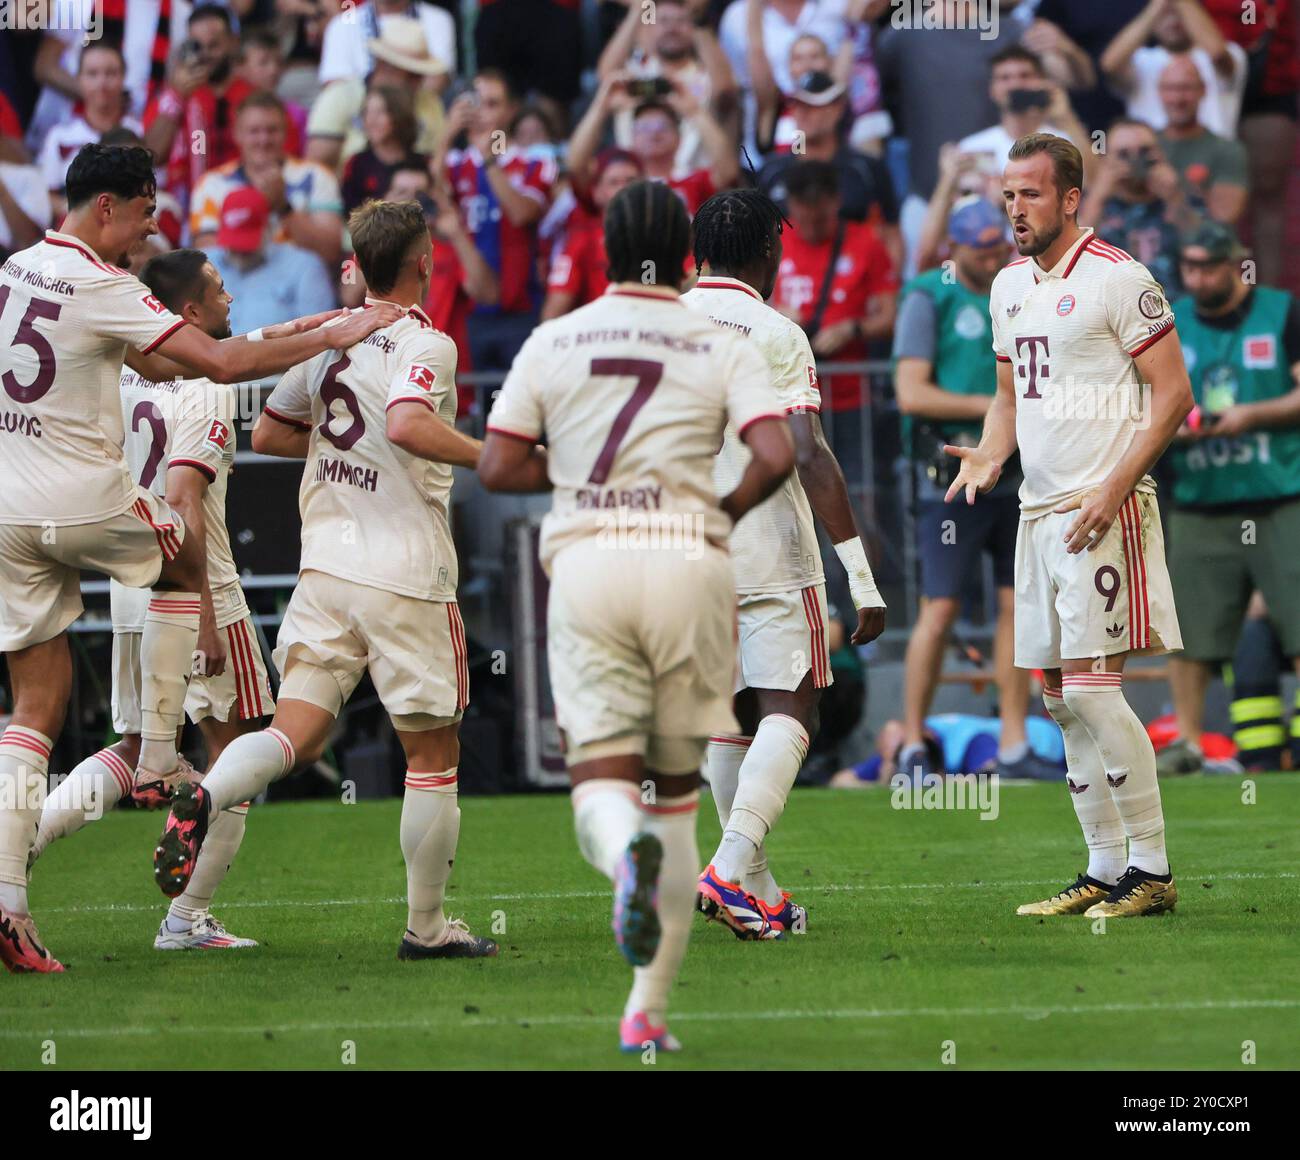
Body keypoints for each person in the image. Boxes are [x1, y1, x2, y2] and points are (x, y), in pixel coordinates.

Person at [0, 141, 398, 972]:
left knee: (37, 708)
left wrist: (303, 328)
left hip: (11, 511)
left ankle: (10, 892)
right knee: (230, 709)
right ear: (106, 206)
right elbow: (215, 368)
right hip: (98, 516)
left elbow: (152, 356)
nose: (151, 228)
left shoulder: (16, 269)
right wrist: (345, 327)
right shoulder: (111, 290)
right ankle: (178, 866)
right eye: (144, 211)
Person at [477, 180, 794, 1052]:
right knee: (680, 801)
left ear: (605, 252)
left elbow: (500, 467)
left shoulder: (556, 336)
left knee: (603, 784)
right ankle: (646, 1011)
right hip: (689, 561)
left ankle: (624, 865)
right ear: (685, 255)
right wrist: (718, 512)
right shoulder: (719, 337)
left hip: (590, 565)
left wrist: (579, 475)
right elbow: (776, 452)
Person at [153, 198, 497, 964]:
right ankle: (429, 929)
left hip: (326, 569)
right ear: (425, 261)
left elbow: (271, 430)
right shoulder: (426, 343)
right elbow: (409, 422)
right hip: (406, 571)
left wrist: (353, 445)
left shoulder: (326, 338)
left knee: (290, 734)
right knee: (432, 759)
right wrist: (486, 453)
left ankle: (205, 794)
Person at [945, 132, 1193, 919]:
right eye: (1007, 194)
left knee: (1092, 687)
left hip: (1102, 509)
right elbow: (1010, 396)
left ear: (1071, 199)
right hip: (1040, 511)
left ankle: (1151, 870)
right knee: (1057, 695)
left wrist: (1116, 487)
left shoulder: (1121, 280)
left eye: (1030, 194)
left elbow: (1175, 395)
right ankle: (1102, 865)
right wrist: (990, 454)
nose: (1014, 208)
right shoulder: (1009, 286)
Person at [30, 247, 275, 952]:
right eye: (220, 290)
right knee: (242, 749)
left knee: (139, 747)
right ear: (190, 313)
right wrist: (201, 612)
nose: (232, 300)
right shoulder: (207, 389)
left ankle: (21, 850)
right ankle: (186, 919)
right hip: (201, 592)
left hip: (130, 590)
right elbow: (183, 497)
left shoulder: (121, 382)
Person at [683, 188, 887, 940]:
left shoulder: (659, 325)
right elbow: (806, 452)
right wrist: (860, 579)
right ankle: (729, 870)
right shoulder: (775, 331)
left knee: (729, 722)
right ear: (770, 249)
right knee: (791, 707)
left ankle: (757, 895)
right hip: (766, 545)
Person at [895, 198, 1060, 781]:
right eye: (981, 250)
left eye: (999, 247)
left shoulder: (1023, 286)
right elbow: (911, 392)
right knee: (939, 608)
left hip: (1016, 474)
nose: (993, 258)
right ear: (954, 249)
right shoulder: (929, 294)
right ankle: (912, 743)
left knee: (1019, 605)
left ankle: (1013, 743)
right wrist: (1002, 410)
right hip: (951, 472)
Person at [1158, 222, 1300, 775]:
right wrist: (1176, 428)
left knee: (1297, 621)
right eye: (1190, 267)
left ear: (1237, 262)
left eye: (1210, 266)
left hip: (1280, 493)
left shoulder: (1282, 311)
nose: (1199, 277)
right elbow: (1146, 401)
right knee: (1190, 634)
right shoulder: (1169, 320)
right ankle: (1190, 742)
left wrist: (1250, 416)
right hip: (1200, 496)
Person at [768, 160, 898, 482]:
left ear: (836, 202)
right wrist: (775, 314)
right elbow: (750, 300)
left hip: (850, 395)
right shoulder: (774, 243)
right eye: (804, 216)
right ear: (792, 206)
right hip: (791, 394)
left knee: (858, 489)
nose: (812, 226)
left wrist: (852, 328)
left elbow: (891, 315)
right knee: (796, 490)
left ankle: (857, 536)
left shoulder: (866, 243)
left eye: (821, 218)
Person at [440, 70, 556, 372]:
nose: (481, 112)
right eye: (475, 103)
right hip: (464, 308)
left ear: (511, 111)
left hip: (521, 308)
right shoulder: (453, 162)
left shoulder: (535, 161)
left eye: (492, 104)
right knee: (465, 406)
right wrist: (447, 132)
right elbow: (425, 194)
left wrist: (488, 158)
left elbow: (521, 213)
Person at [756, 69, 900, 266]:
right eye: (798, 105)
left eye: (813, 105)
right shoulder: (772, 170)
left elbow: (891, 234)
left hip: (852, 281)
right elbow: (756, 237)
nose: (803, 113)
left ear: (837, 108)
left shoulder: (866, 169)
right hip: (788, 283)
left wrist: (885, 284)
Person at [190, 92, 345, 269]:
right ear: (237, 134)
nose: (263, 140)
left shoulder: (317, 176)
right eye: (254, 131)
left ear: (286, 132)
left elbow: (330, 252)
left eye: (272, 130)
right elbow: (209, 257)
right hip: (235, 287)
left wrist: (283, 207)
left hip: (298, 284)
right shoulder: (211, 184)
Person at [567, 73, 739, 220]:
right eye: (644, 127)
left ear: (679, 139)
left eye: (662, 126)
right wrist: (601, 107)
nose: (654, 133)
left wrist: (695, 111)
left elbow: (728, 171)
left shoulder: (693, 182)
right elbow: (575, 165)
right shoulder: (618, 184)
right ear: (632, 138)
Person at [598, 0, 738, 173]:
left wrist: (698, 19)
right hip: (635, 184)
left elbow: (725, 90)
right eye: (663, 21)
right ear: (648, 28)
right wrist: (639, 10)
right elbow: (606, 74)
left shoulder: (705, 77)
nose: (672, 28)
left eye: (681, 21)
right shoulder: (635, 73)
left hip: (695, 184)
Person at [143, 4, 257, 207]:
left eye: (214, 45)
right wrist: (177, 99)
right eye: (197, 46)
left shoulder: (253, 96)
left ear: (233, 42)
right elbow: (152, 156)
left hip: (243, 201)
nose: (205, 54)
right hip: (184, 208)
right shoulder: (174, 95)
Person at [305, 15, 447, 176]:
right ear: (384, 66)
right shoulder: (340, 96)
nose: (419, 82)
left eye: (421, 74)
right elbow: (317, 165)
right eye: (412, 74)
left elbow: (438, 164)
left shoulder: (430, 102)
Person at [1100, 0, 1247, 138]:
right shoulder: (1140, 61)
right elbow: (1109, 65)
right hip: (1149, 160)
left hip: (1213, 161)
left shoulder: (1233, 53)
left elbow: (1217, 54)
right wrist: (1156, 7)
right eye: (1164, 13)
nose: (1172, 21)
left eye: (1179, 13)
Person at [1081, 118, 1194, 298]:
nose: (1135, 161)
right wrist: (1098, 198)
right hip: (1109, 311)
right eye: (1123, 154)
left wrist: (1175, 198)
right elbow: (1070, 258)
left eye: (1144, 151)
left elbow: (1205, 247)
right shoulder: (1086, 202)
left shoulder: (1182, 195)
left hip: (1174, 309)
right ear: (1106, 159)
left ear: (1161, 154)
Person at [207, 187, 338, 333]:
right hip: (211, 354)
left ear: (269, 229)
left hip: (278, 354)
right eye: (234, 239)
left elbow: (320, 336)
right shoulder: (203, 265)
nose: (240, 250)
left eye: (247, 240)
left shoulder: (304, 267)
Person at [37, 42, 142, 217]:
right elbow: (47, 196)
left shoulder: (139, 130)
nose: (102, 82)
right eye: (92, 74)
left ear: (124, 78)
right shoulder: (59, 136)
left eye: (111, 73)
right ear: (79, 79)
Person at [541, 150, 643, 320]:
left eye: (631, 181)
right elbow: (552, 314)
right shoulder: (581, 239)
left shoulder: (667, 233)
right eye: (614, 182)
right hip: (600, 338)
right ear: (596, 193)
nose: (624, 189)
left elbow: (693, 282)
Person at [1155, 54, 1249, 225]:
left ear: (1203, 90)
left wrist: (1174, 193)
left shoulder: (1227, 150)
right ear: (1159, 92)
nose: (1178, 98)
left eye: (1186, 88)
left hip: (1207, 249)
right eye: (1170, 88)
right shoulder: (1143, 146)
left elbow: (1223, 221)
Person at [318, 0, 456, 89]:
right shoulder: (342, 24)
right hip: (354, 121)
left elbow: (438, 77)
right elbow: (334, 84)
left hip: (417, 120)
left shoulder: (438, 19)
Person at [340, 86, 428, 214]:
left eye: (381, 112)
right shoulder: (356, 164)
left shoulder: (422, 162)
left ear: (399, 115)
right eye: (366, 112)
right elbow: (348, 216)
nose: (371, 120)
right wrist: (384, 207)